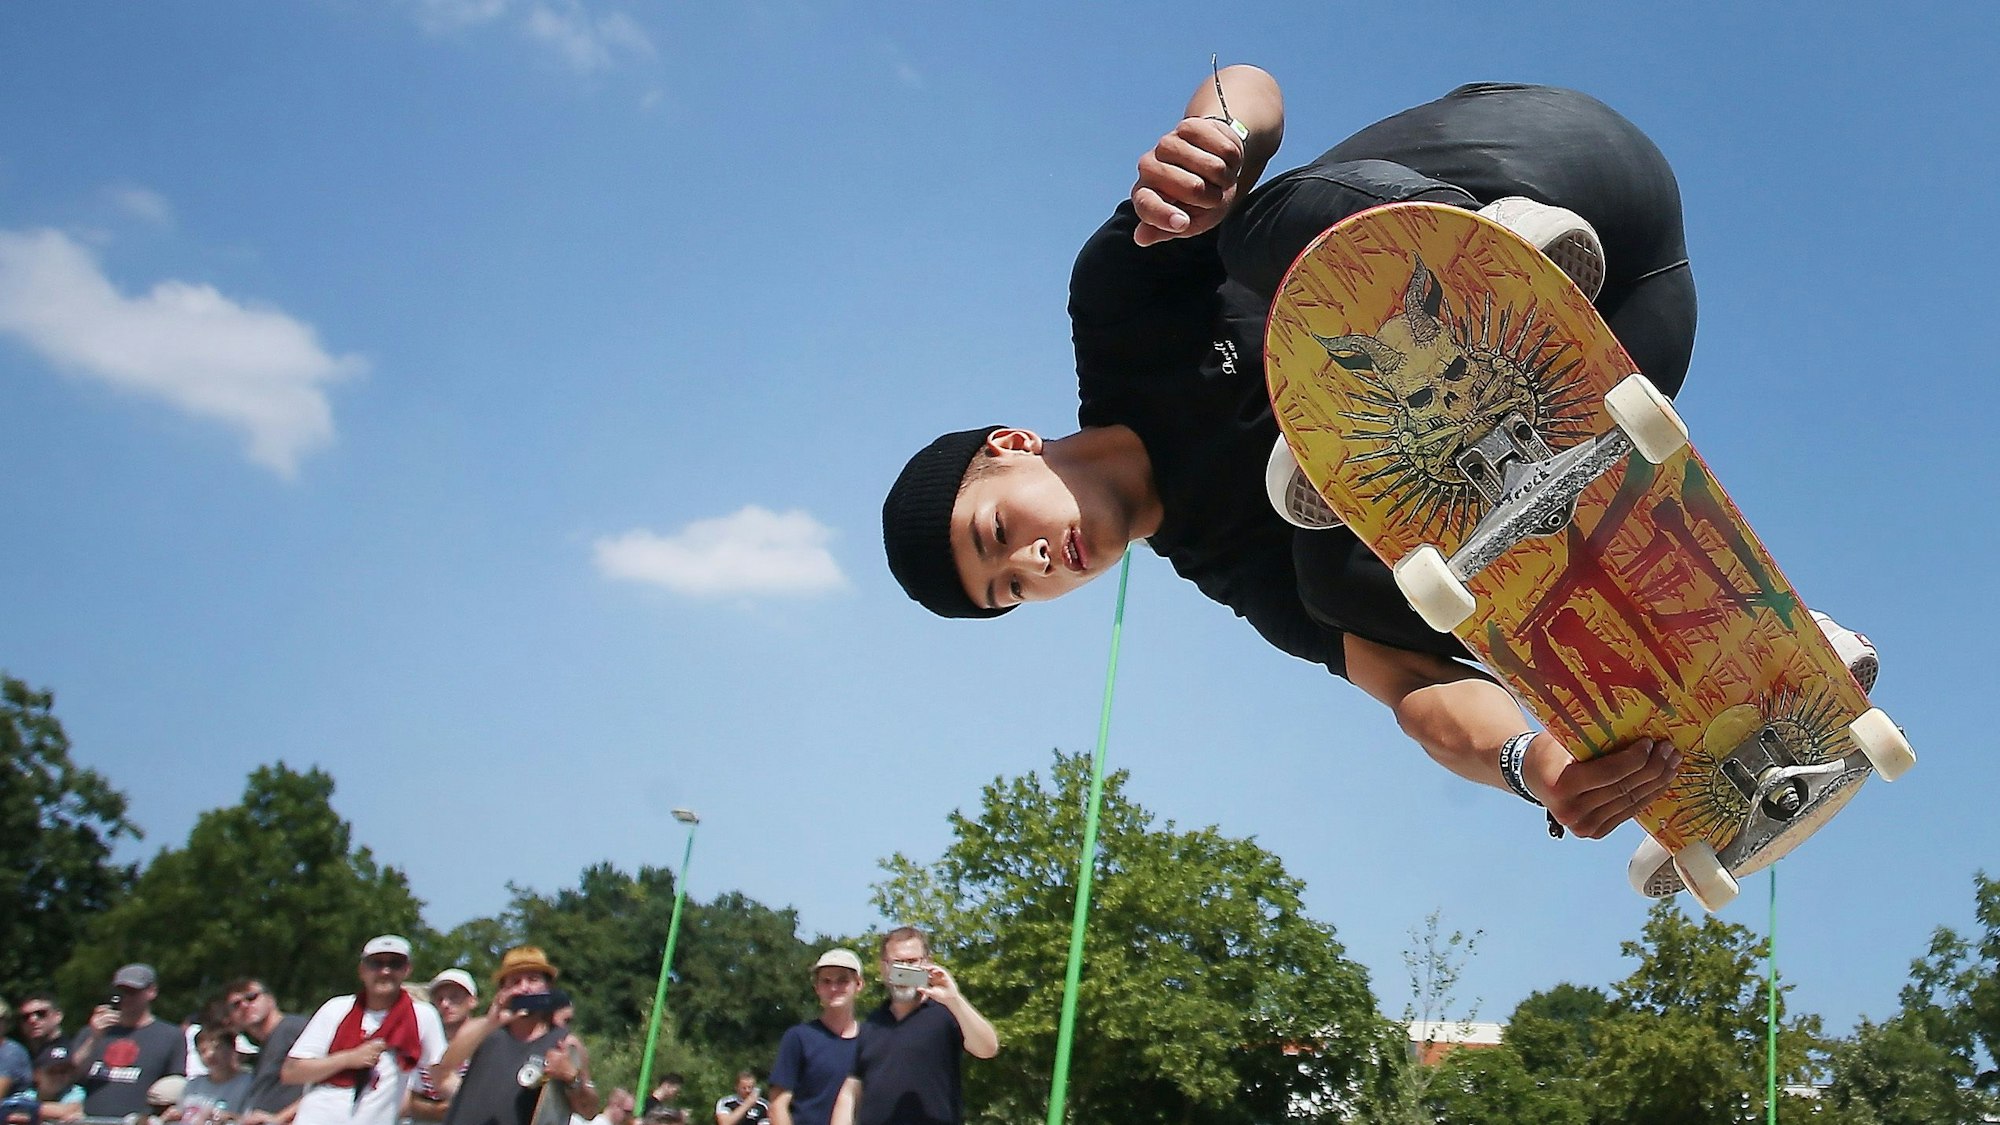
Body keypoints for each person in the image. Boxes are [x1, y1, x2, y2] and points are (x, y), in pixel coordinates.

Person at [882, 62, 1879, 848]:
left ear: (1011, 448)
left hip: (1544, 165)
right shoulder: (1228, 565)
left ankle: (1473, 254)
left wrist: (1216, 141)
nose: (1032, 565)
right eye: (1010, 589)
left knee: (1245, 226)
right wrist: (1536, 765)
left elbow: (1253, 85)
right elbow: (1410, 694)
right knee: (1346, 588)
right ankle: (1750, 647)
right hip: (1628, 335)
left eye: (997, 532)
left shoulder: (1115, 313)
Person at [829, 928, 997, 1125]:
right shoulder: (873, 1023)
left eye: (912, 962)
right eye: (897, 963)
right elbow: (851, 1090)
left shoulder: (946, 1013)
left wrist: (955, 999)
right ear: (884, 968)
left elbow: (988, 1048)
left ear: (927, 963)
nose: (905, 971)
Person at [282, 935, 447, 1125]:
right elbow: (291, 1072)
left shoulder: (423, 1016)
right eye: (376, 963)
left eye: (395, 964)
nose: (385, 971)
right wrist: (348, 1059)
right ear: (362, 970)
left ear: (407, 970)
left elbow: (441, 1074)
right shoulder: (336, 1008)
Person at [434, 947, 599, 1125]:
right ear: (502, 990)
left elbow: (589, 1111)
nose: (524, 988)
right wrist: (492, 1021)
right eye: (515, 982)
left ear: (548, 987)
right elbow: (444, 1068)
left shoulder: (565, 1042)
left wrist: (571, 1077)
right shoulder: (484, 1030)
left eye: (533, 980)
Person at [69, 963, 186, 1118]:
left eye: (132, 991)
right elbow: (70, 1075)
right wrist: (94, 1038)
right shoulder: (93, 1032)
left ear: (152, 992)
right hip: (92, 1120)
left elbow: (174, 1088)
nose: (125, 997)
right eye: (121, 991)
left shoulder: (170, 1036)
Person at [767, 950, 863, 1125]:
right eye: (826, 981)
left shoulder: (873, 1040)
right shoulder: (799, 1038)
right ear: (817, 988)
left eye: (843, 981)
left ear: (858, 985)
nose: (834, 988)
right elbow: (778, 1105)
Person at [224, 977, 306, 1125]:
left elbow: (328, 1081)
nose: (244, 1005)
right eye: (236, 1005)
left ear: (271, 1000)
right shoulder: (263, 1050)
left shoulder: (293, 1029)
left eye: (251, 997)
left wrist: (279, 1118)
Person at [407, 970, 479, 1121]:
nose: (445, 1004)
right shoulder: (424, 1044)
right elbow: (405, 1102)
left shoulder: (487, 1042)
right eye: (439, 999)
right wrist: (435, 1111)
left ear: (472, 1001)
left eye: (454, 997)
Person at [167, 1026, 251, 1125]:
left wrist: (229, 1117)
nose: (210, 1054)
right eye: (203, 1051)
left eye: (217, 1048)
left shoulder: (248, 1083)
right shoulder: (193, 1085)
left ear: (232, 1049)